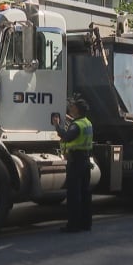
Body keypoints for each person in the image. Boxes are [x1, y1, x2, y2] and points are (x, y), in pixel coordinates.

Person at [52, 98, 93, 233]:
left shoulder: (76, 125)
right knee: (85, 193)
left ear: (77, 110)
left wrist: (57, 125)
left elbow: (66, 136)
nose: (70, 107)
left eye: (73, 106)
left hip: (75, 162)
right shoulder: (87, 123)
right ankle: (86, 224)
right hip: (85, 161)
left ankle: (73, 225)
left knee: (74, 195)